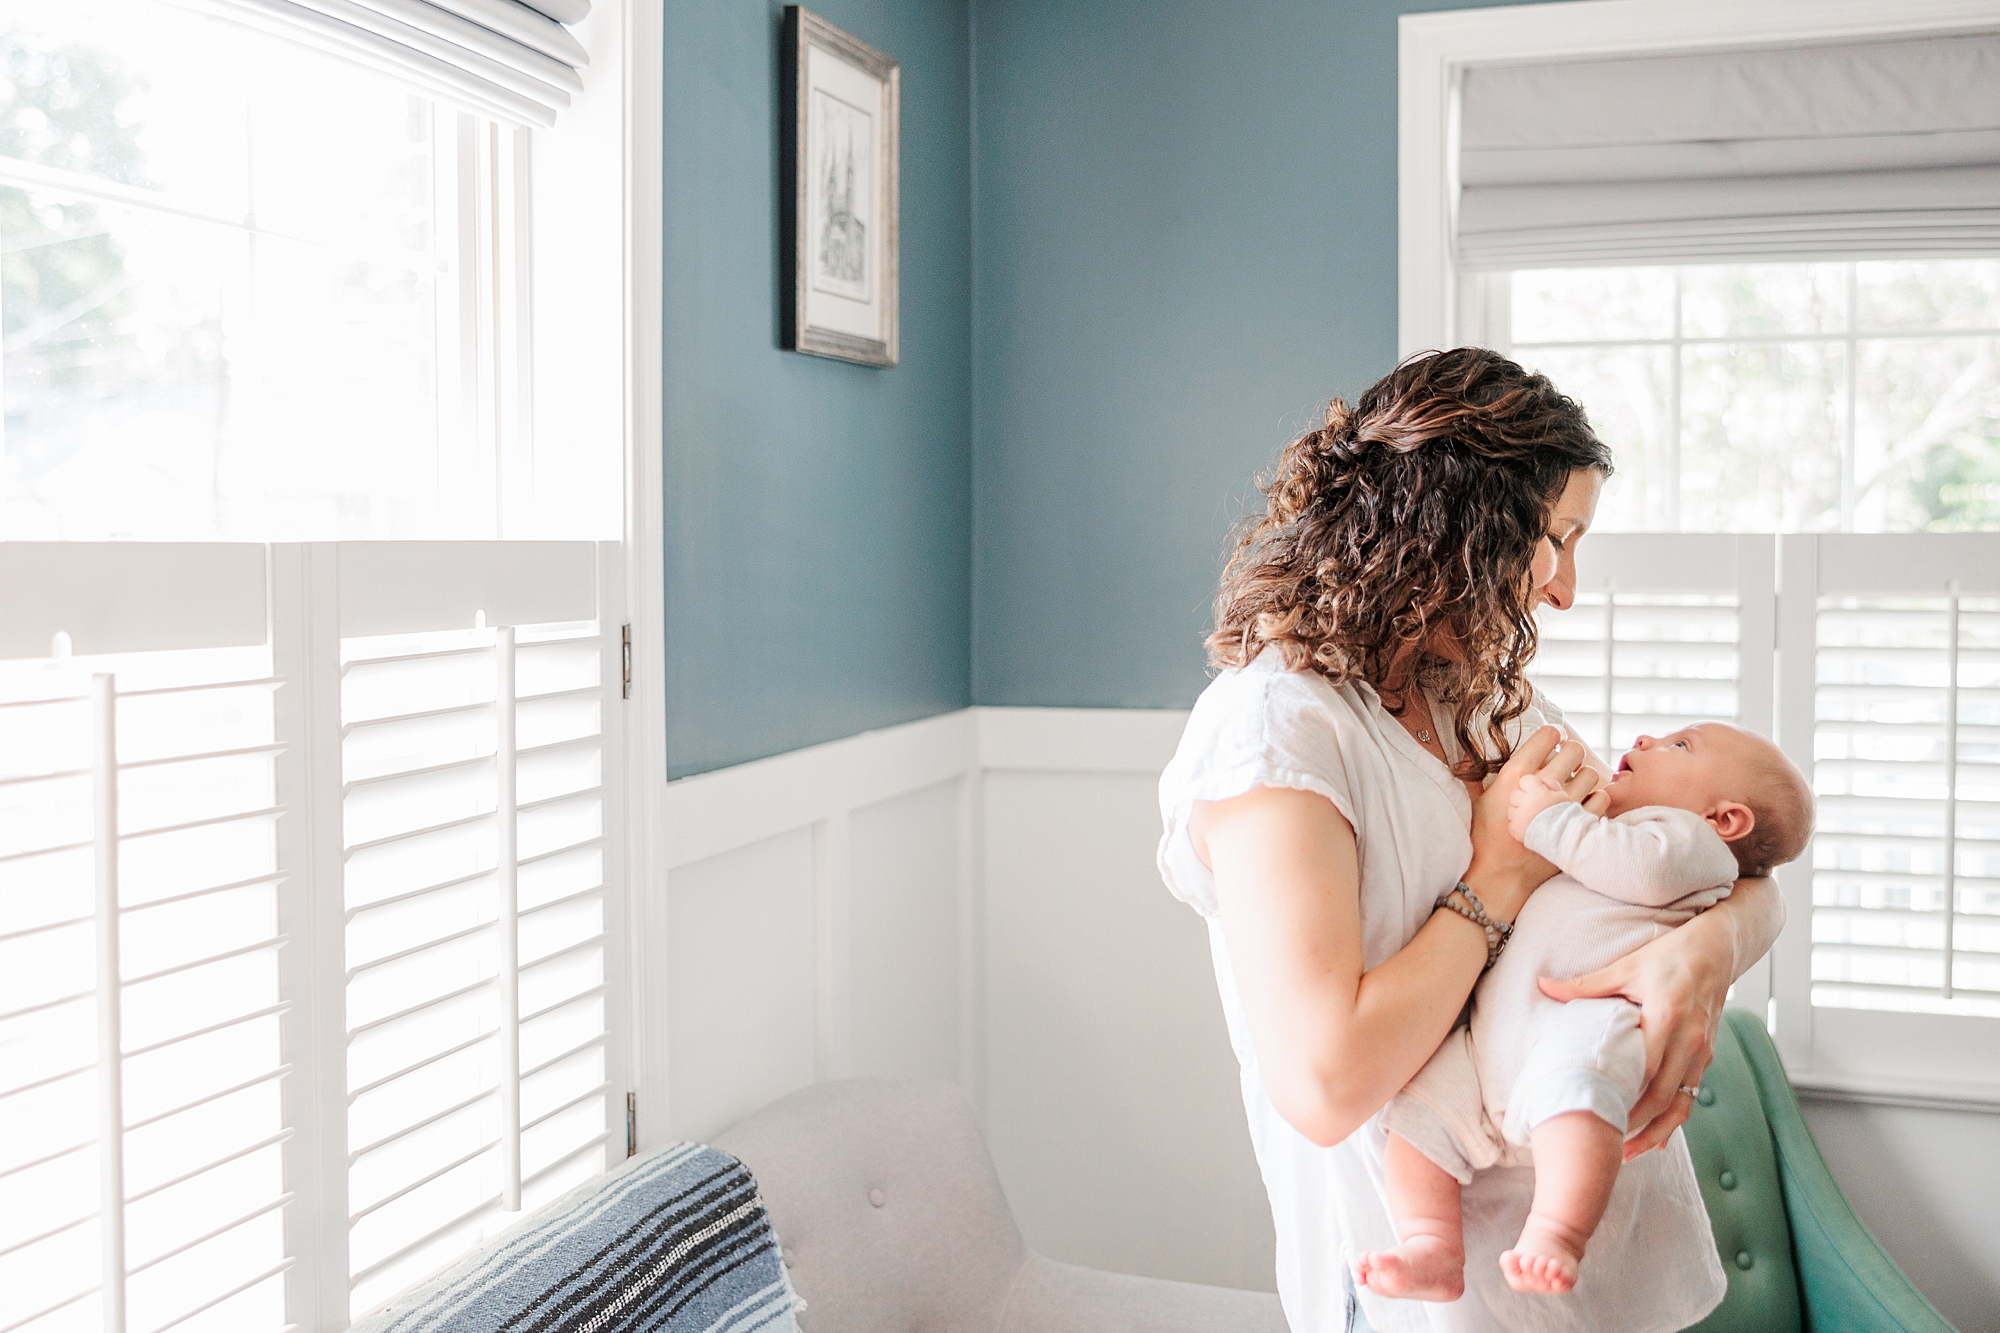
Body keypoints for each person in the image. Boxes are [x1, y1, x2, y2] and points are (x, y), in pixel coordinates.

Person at [1155, 348, 1786, 1333]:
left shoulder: (1484, 699)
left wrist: (1710, 947)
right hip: (1426, 1287)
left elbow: (1683, 856)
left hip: (1599, 1262)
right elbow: (1326, 1083)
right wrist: (1497, 869)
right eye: (1555, 540)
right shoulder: (1278, 732)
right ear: (1457, 529)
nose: (1564, 590)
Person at [1360, 722, 1814, 1310]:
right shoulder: (1624, 824)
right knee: (1417, 1113)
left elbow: (1641, 871)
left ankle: (1559, 1230)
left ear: (1724, 820)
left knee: (1581, 1091)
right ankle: (1432, 1244)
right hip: (1497, 1030)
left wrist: (1550, 821)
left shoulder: (1686, 844)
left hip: (1587, 1018)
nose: (1648, 739)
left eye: (1681, 746)